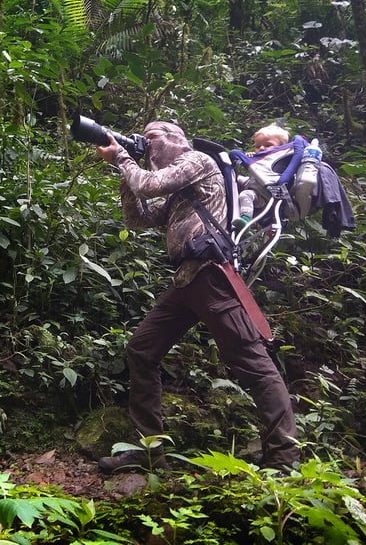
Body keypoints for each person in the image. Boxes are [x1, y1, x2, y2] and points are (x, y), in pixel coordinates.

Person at [94, 121, 300, 474]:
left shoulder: (198, 161)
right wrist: (122, 169)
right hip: (186, 279)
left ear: (175, 140)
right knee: (142, 349)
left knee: (252, 361)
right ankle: (149, 451)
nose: (150, 144)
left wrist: (123, 157)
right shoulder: (179, 190)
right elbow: (136, 219)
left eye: (154, 137)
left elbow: (148, 183)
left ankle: (283, 459)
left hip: (211, 275)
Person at [235, 124, 291, 229]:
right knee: (233, 177)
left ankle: (246, 219)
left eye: (267, 145)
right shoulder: (259, 159)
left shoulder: (280, 162)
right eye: (257, 146)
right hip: (253, 183)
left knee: (245, 195)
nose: (261, 148)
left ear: (281, 148)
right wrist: (250, 157)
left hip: (264, 194)